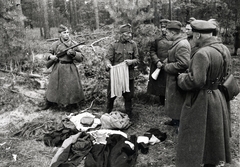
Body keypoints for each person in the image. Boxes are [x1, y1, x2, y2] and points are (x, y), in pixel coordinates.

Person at [176, 20, 232, 167]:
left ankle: (196, 161)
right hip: (217, 96)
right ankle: (211, 160)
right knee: (213, 133)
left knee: (195, 132)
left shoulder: (202, 53)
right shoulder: (223, 48)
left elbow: (197, 81)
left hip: (201, 99)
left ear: (198, 35)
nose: (192, 38)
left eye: (193, 34)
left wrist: (181, 79)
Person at [40, 24, 85, 111]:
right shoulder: (55, 44)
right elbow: (46, 54)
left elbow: (81, 58)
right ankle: (50, 103)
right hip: (58, 67)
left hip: (70, 68)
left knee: (72, 87)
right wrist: (51, 57)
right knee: (53, 86)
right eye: (64, 33)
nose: (67, 34)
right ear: (60, 34)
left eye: (68, 32)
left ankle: (73, 105)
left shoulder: (74, 44)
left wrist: (74, 54)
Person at [105, 24, 139, 118]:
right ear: (121, 34)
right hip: (116, 75)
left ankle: (129, 115)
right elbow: (108, 58)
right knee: (111, 96)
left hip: (128, 75)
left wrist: (131, 61)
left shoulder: (133, 45)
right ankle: (107, 113)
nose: (130, 35)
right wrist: (108, 64)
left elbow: (137, 60)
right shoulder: (114, 45)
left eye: (130, 33)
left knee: (128, 96)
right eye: (127, 33)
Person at [162, 20, 191, 126]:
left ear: (173, 33)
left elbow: (184, 63)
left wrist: (167, 66)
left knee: (178, 101)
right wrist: (168, 60)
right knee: (174, 100)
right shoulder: (178, 43)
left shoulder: (182, 44)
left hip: (178, 79)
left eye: (167, 32)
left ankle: (180, 124)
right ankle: (175, 120)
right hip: (174, 78)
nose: (166, 34)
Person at [147, 19, 172, 106]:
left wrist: (167, 60)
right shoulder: (156, 39)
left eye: (165, 27)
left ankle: (169, 102)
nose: (163, 29)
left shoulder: (173, 39)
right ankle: (162, 102)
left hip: (169, 64)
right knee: (160, 83)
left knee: (169, 83)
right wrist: (157, 61)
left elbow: (176, 51)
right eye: (162, 27)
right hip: (159, 65)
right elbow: (152, 51)